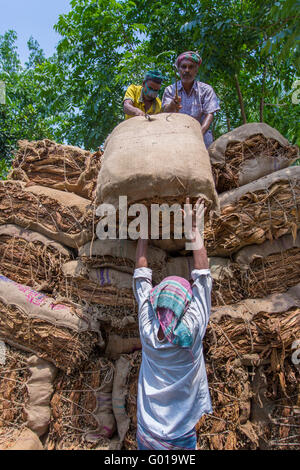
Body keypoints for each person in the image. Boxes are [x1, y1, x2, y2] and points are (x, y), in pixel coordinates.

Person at [132, 197, 212, 450]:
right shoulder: (192, 331)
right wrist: (193, 230)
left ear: (156, 305)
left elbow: (141, 276)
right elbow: (203, 275)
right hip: (181, 437)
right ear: (184, 308)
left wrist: (143, 234)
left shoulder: (148, 330)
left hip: (147, 433)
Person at [162, 51, 220, 148]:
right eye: (183, 67)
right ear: (179, 70)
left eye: (191, 67)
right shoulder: (170, 90)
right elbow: (165, 112)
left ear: (196, 70)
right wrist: (172, 104)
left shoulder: (206, 90)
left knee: (208, 157)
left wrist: (198, 134)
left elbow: (209, 114)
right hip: (176, 136)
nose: (187, 70)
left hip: (201, 135)